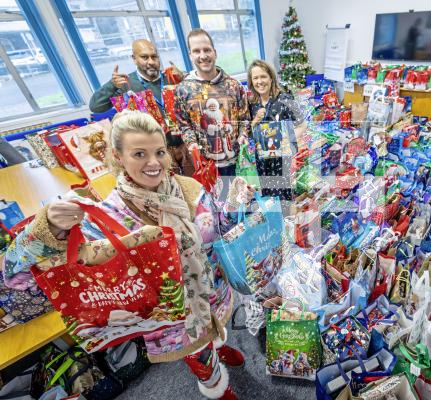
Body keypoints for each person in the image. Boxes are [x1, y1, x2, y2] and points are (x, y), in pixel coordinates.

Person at [3, 111, 255, 400]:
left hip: (214, 293)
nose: (154, 162)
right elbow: (16, 276)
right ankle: (214, 385)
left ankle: (219, 344)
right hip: (175, 320)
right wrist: (50, 229)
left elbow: (218, 231)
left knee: (216, 330)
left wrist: (235, 205)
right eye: (139, 153)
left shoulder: (190, 188)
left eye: (159, 151)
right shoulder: (108, 218)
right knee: (199, 354)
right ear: (118, 156)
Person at [88, 39, 193, 176]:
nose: (150, 61)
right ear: (134, 58)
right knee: (169, 189)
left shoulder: (171, 77)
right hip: (156, 153)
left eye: (154, 57)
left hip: (184, 145)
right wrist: (112, 85)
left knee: (195, 185)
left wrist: (185, 78)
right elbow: (95, 106)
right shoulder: (125, 84)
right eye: (144, 57)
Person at [174, 29, 251, 179]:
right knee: (221, 202)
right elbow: (184, 125)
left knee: (242, 200)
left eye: (207, 50)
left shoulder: (233, 85)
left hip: (238, 163)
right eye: (197, 51)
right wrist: (191, 144)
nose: (203, 56)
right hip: (208, 167)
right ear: (190, 55)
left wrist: (243, 135)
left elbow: (244, 118)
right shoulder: (183, 90)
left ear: (214, 52)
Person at [247, 60, 305, 202]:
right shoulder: (252, 103)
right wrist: (255, 120)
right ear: (251, 81)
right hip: (261, 161)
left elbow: (302, 125)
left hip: (281, 161)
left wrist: (287, 140)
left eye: (263, 76)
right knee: (267, 199)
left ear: (271, 78)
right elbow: (249, 131)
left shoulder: (285, 99)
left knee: (283, 199)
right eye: (255, 78)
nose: (260, 81)